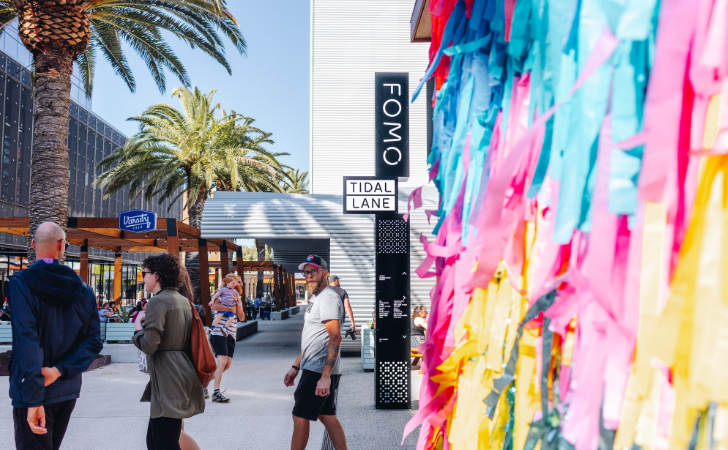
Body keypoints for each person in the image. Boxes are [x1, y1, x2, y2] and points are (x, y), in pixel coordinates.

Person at [8, 221, 103, 449]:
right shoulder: (84, 290)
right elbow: (93, 341)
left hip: (31, 388)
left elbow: (27, 339)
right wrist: (59, 371)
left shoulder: (20, 284)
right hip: (65, 390)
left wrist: (33, 398)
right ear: (62, 246)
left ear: (32, 244)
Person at [133, 254, 205, 450]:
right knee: (157, 440)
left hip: (167, 378)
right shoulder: (182, 301)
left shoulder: (158, 302)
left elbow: (149, 345)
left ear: (156, 276)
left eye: (144, 273)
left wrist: (138, 326)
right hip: (180, 374)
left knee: (163, 443)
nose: (143, 278)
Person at [284, 255, 347, 450]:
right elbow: (313, 337)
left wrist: (325, 376)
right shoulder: (315, 297)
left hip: (319, 371)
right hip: (314, 367)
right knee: (326, 415)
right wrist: (296, 366)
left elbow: (335, 337)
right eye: (306, 272)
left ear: (325, 273)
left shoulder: (327, 297)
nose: (309, 276)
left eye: (314, 271)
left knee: (299, 416)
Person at [208, 276, 245, 403]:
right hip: (219, 332)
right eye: (238, 282)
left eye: (239, 282)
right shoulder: (222, 294)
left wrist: (237, 307)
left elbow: (241, 318)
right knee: (222, 361)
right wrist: (231, 309)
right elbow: (214, 307)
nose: (240, 284)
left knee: (227, 365)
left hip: (231, 334)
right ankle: (216, 393)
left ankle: (201, 384)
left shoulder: (236, 297)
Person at [327, 275, 356, 340]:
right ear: (336, 281)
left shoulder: (324, 291)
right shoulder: (342, 291)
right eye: (339, 281)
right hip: (338, 320)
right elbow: (347, 307)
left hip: (326, 320)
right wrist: (352, 323)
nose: (339, 282)